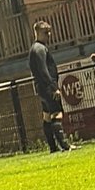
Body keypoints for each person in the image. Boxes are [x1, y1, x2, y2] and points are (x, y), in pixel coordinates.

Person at [29, 21, 72, 153]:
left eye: (49, 31)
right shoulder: (40, 49)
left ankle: (53, 147)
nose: (48, 35)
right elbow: (43, 70)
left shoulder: (34, 49)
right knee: (56, 113)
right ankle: (64, 145)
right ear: (37, 33)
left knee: (47, 116)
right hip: (47, 87)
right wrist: (54, 87)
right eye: (45, 32)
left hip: (41, 87)